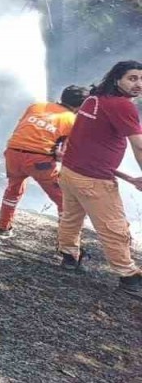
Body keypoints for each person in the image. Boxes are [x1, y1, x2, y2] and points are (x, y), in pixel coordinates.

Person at [57, 60, 142, 298]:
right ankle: (128, 277)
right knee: (114, 228)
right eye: (132, 78)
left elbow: (88, 142)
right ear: (117, 79)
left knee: (71, 218)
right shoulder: (122, 106)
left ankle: (69, 256)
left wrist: (126, 175)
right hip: (94, 180)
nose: (138, 84)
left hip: (71, 173)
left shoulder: (93, 99)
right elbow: (139, 146)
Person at [0, 85, 88, 236]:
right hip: (40, 161)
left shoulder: (36, 106)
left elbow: (23, 128)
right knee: (64, 200)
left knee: (13, 191)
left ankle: (3, 228)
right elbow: (64, 152)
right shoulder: (73, 120)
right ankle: (67, 240)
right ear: (81, 106)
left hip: (13, 153)